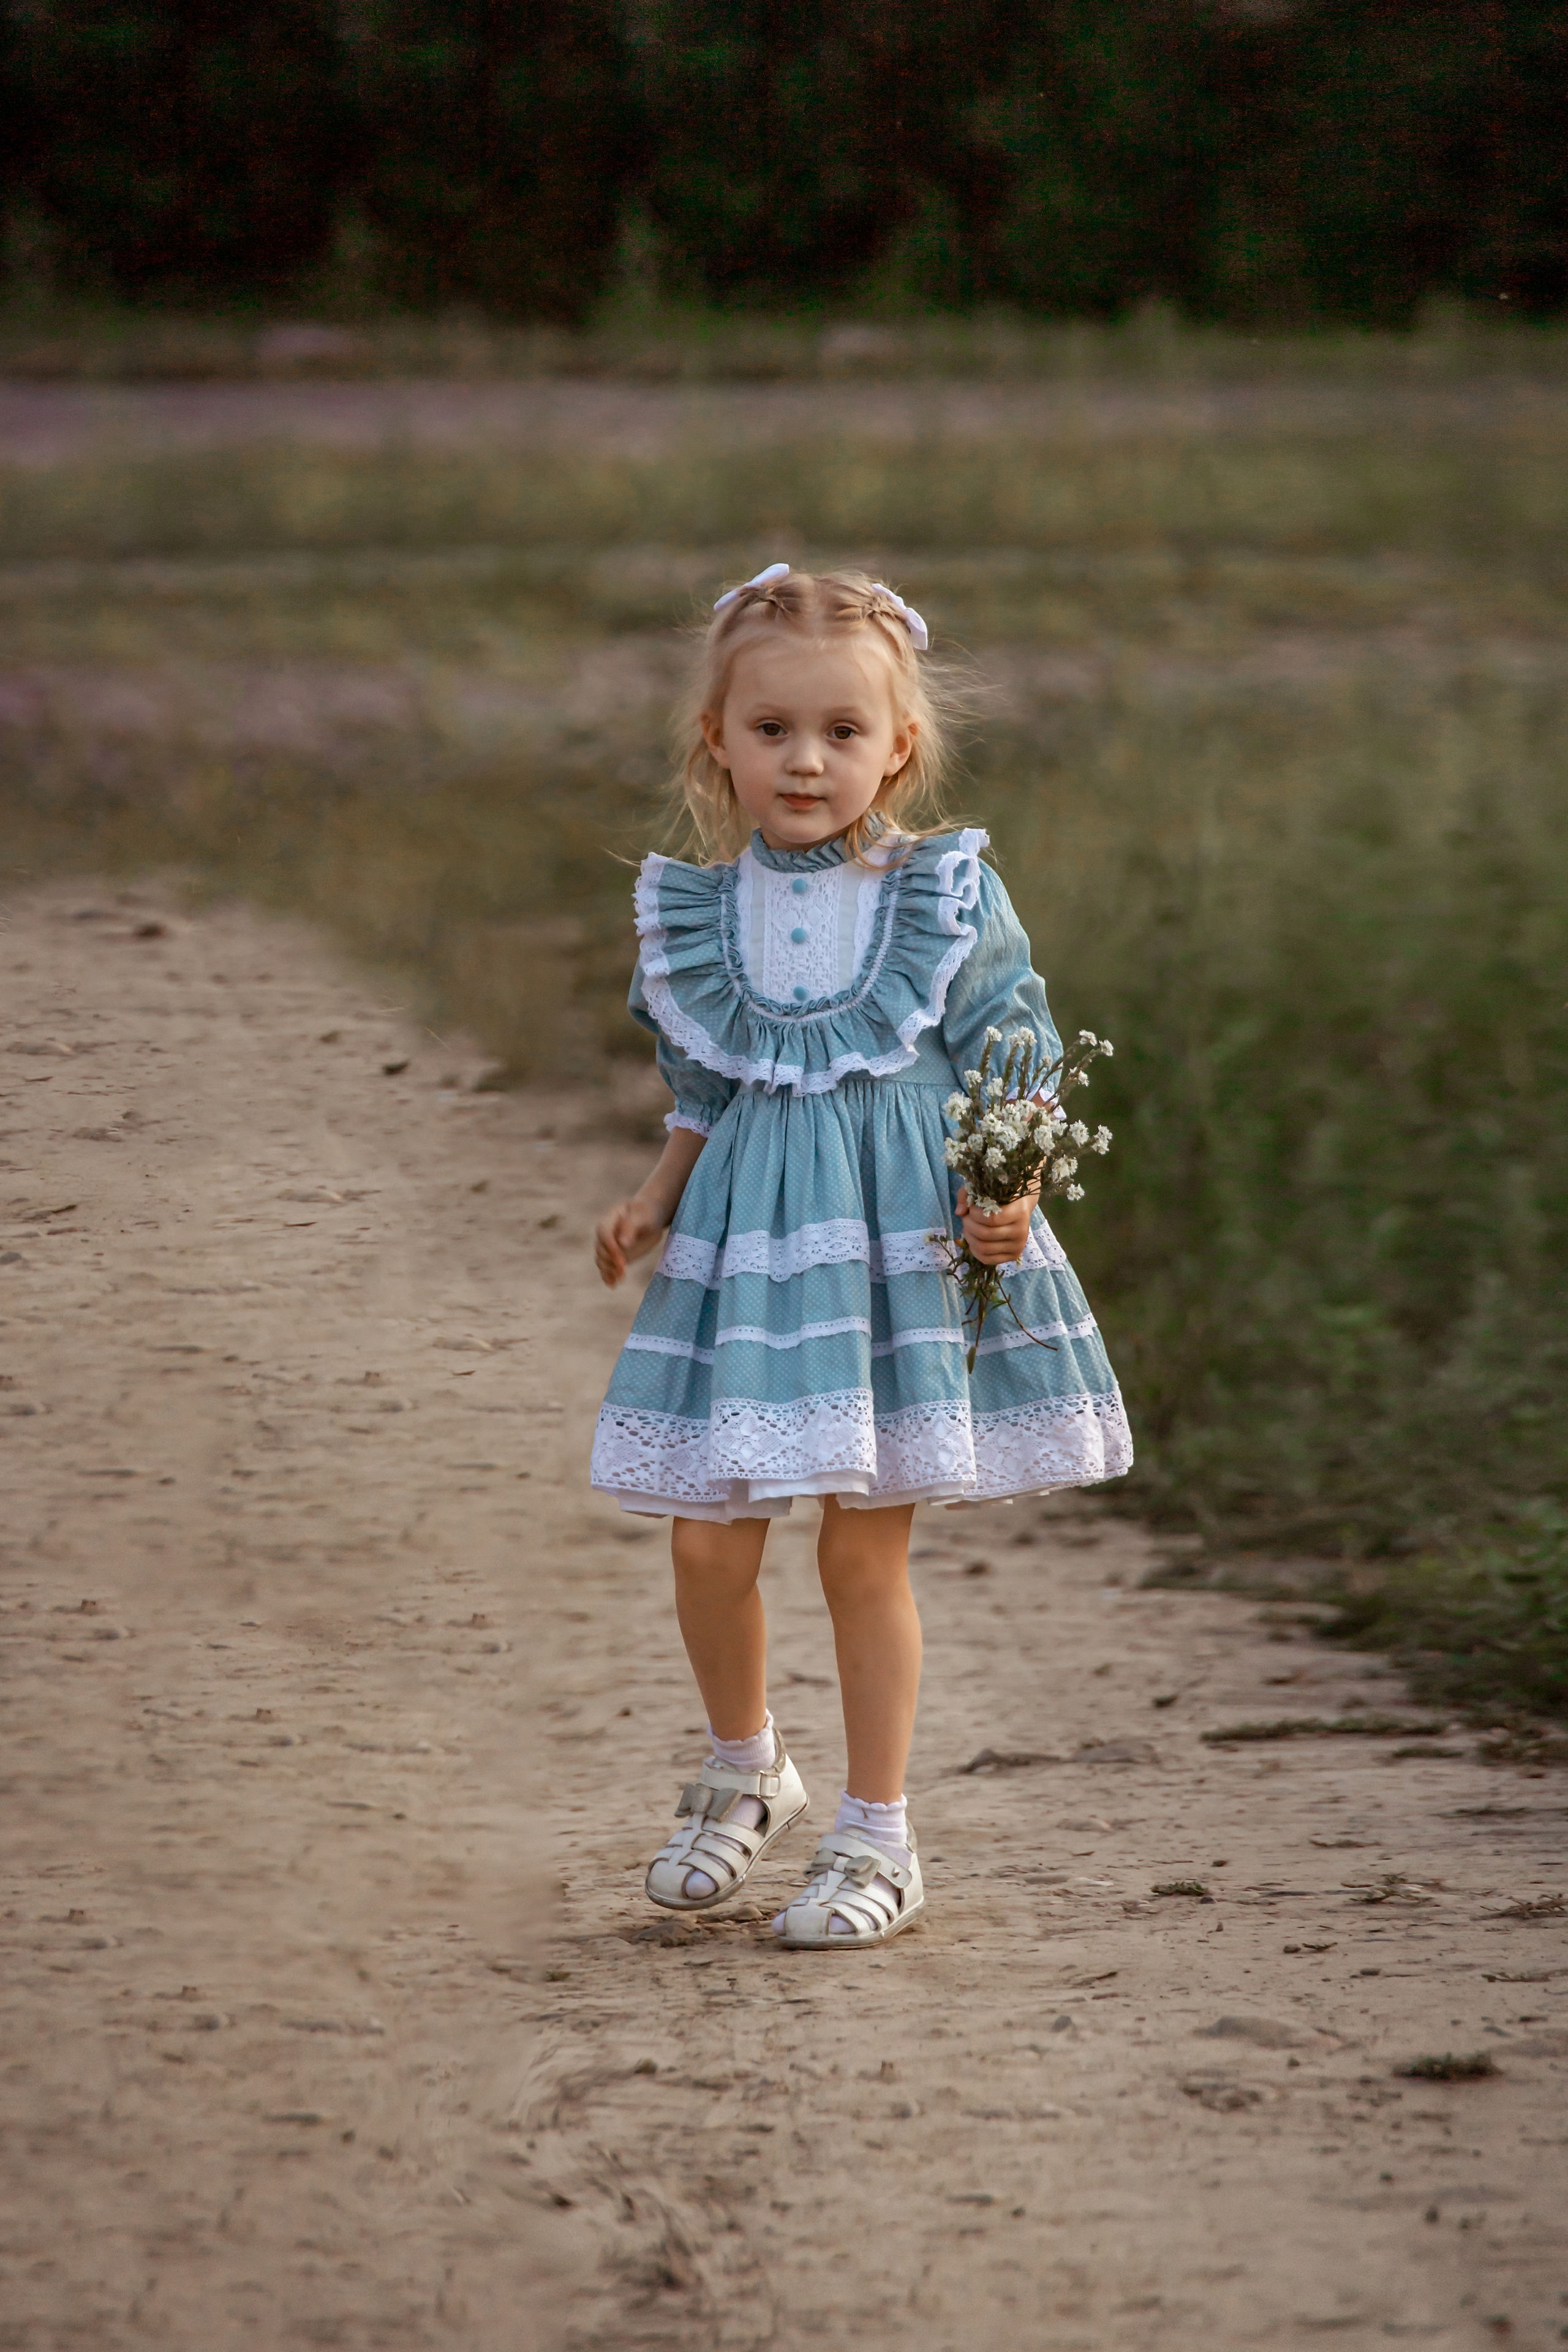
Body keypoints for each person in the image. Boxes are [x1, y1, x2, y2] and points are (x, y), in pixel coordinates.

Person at [591, 564, 1131, 1948]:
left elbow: (1013, 1044)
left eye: (841, 731)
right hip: (749, 1258)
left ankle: (877, 1834)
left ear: (898, 745)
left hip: (897, 1250)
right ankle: (741, 1768)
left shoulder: (938, 892)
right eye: (770, 730)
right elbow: (704, 1083)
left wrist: (1005, 1191)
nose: (805, 760)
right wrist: (655, 1195)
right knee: (708, 1542)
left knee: (857, 1553)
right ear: (716, 737)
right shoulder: (696, 916)